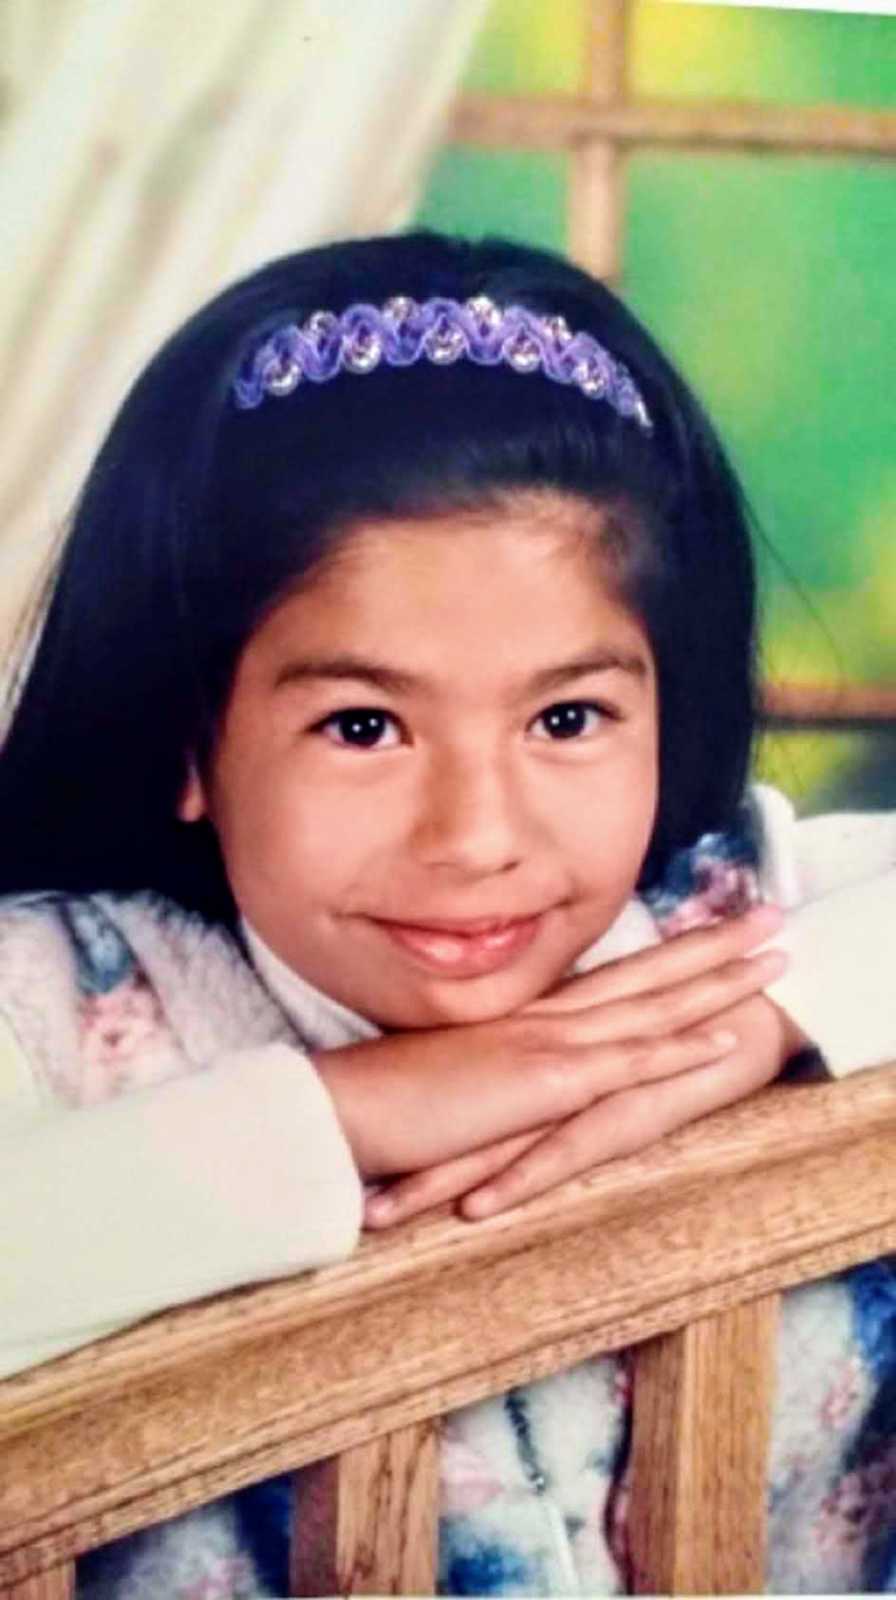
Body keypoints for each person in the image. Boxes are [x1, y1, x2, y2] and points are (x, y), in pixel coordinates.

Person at [1, 232, 894, 1596]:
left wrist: (779, 1006)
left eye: (568, 717)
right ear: (195, 740)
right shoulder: (57, 1006)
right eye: (363, 727)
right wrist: (351, 1110)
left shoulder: (725, 923)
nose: (477, 837)